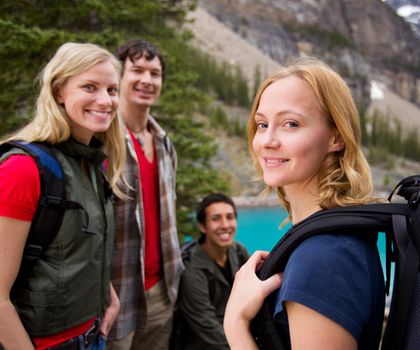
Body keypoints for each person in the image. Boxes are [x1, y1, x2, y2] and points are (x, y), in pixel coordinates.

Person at [223, 57, 385, 350]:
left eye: (291, 124)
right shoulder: (330, 236)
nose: (267, 140)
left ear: (336, 137)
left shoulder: (325, 256)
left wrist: (235, 324)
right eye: (262, 124)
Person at [0, 42, 126, 349]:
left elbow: (78, 247)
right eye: (89, 87)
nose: (104, 100)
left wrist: (107, 296)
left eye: (112, 90)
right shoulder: (22, 169)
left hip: (93, 334)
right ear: (58, 92)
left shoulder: (93, 163)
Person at [107, 39, 184, 350]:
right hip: (115, 295)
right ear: (119, 77)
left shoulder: (164, 143)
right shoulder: (103, 140)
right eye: (137, 71)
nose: (147, 80)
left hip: (162, 293)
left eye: (155, 73)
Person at [174, 193, 249, 350]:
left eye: (230, 217)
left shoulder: (238, 251)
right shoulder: (192, 267)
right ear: (202, 226)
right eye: (216, 219)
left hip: (235, 335)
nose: (225, 225)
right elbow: (205, 324)